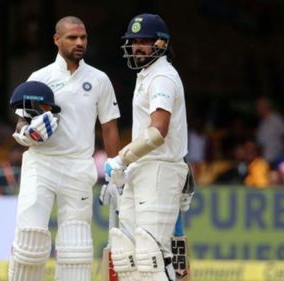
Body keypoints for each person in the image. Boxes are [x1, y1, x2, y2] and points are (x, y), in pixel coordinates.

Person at [7, 16, 121, 281]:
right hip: (42, 163)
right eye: (72, 37)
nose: (79, 42)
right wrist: (27, 133)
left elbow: (109, 127)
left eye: (83, 37)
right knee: (30, 242)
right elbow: (22, 119)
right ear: (57, 39)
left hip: (79, 165)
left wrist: (116, 170)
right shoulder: (41, 77)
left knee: (76, 249)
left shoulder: (99, 79)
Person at [104, 13, 191, 281]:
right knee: (128, 257)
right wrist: (127, 167)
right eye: (133, 41)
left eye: (144, 41)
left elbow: (157, 132)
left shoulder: (163, 76)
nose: (136, 47)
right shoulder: (147, 74)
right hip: (142, 169)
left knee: (152, 256)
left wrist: (121, 159)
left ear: (161, 44)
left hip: (160, 170)